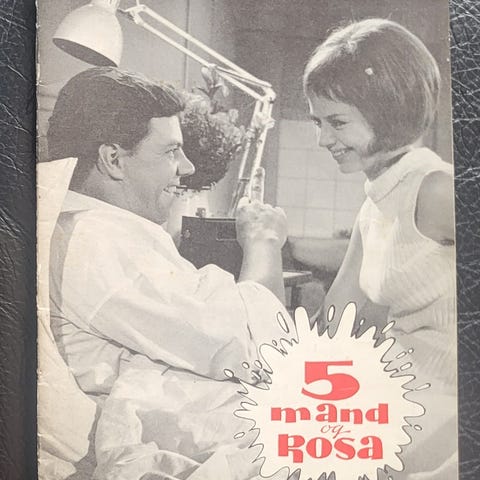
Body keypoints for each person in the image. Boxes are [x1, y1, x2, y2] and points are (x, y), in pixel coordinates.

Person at [46, 66, 292, 479]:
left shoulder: (85, 227)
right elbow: (256, 348)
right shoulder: (97, 240)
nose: (188, 166)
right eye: (171, 151)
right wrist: (264, 242)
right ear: (113, 159)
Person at [303, 19, 456, 480]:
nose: (323, 139)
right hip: (404, 385)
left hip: (447, 402)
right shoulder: (376, 200)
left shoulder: (436, 188)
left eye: (337, 122)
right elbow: (336, 319)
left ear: (387, 111)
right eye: (317, 122)